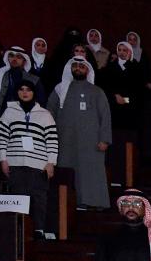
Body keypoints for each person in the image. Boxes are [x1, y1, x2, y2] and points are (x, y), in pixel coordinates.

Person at [46, 56, 110, 209]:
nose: (78, 68)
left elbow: (105, 116)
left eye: (81, 66)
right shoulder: (60, 89)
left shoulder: (97, 91)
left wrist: (105, 139)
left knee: (90, 172)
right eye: (75, 66)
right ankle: (67, 204)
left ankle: (93, 202)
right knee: (67, 171)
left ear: (87, 69)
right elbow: (49, 113)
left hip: (92, 143)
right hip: (65, 141)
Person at [0, 80, 57, 238]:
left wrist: (51, 163)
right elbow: (2, 137)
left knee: (39, 199)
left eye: (28, 90)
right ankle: (19, 231)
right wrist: (3, 159)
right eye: (21, 89)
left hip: (39, 165)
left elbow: (52, 141)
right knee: (18, 199)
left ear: (34, 93)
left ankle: (39, 230)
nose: (24, 93)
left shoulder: (45, 114)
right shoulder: (9, 112)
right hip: (15, 163)